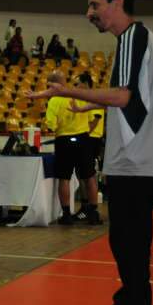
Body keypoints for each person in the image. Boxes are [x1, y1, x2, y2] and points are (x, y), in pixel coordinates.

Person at [28, 0, 153, 305]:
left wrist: (67, 90)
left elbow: (124, 98)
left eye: (95, 4)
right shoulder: (138, 40)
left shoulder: (132, 39)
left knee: (130, 243)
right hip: (135, 159)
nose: (89, 12)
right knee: (127, 242)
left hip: (134, 160)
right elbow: (132, 98)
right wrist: (87, 101)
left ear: (117, 3)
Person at [45, 70, 101, 225]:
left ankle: (66, 214)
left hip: (64, 140)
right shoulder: (79, 95)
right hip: (83, 139)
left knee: (64, 178)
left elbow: (51, 125)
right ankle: (93, 212)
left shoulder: (54, 100)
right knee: (89, 176)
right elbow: (91, 119)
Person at [72, 72, 105, 222]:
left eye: (77, 83)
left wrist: (83, 135)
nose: (76, 86)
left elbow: (94, 123)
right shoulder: (83, 99)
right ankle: (85, 207)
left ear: (85, 83)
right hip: (83, 138)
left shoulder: (95, 97)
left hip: (91, 140)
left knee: (89, 175)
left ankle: (92, 208)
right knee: (81, 174)